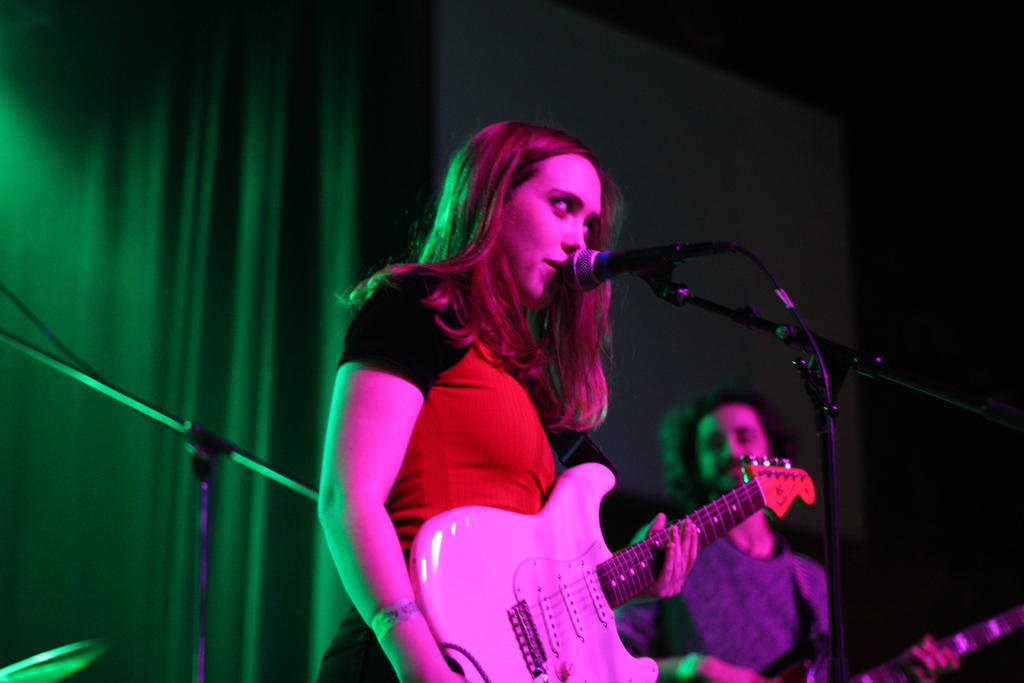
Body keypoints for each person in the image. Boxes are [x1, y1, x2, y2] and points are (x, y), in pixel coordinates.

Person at [315, 121, 700, 683]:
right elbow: (346, 497)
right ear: (494, 199)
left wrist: (636, 574)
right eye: (562, 206)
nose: (579, 240)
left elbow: (527, 593)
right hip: (408, 662)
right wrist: (420, 664)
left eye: (589, 223)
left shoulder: (529, 385)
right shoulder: (426, 308)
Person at [615, 385, 959, 683]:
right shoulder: (676, 546)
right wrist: (694, 670)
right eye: (713, 443)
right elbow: (610, 660)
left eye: (744, 437)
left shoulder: (808, 578)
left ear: (773, 451)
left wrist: (900, 673)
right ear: (694, 461)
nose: (732, 452)